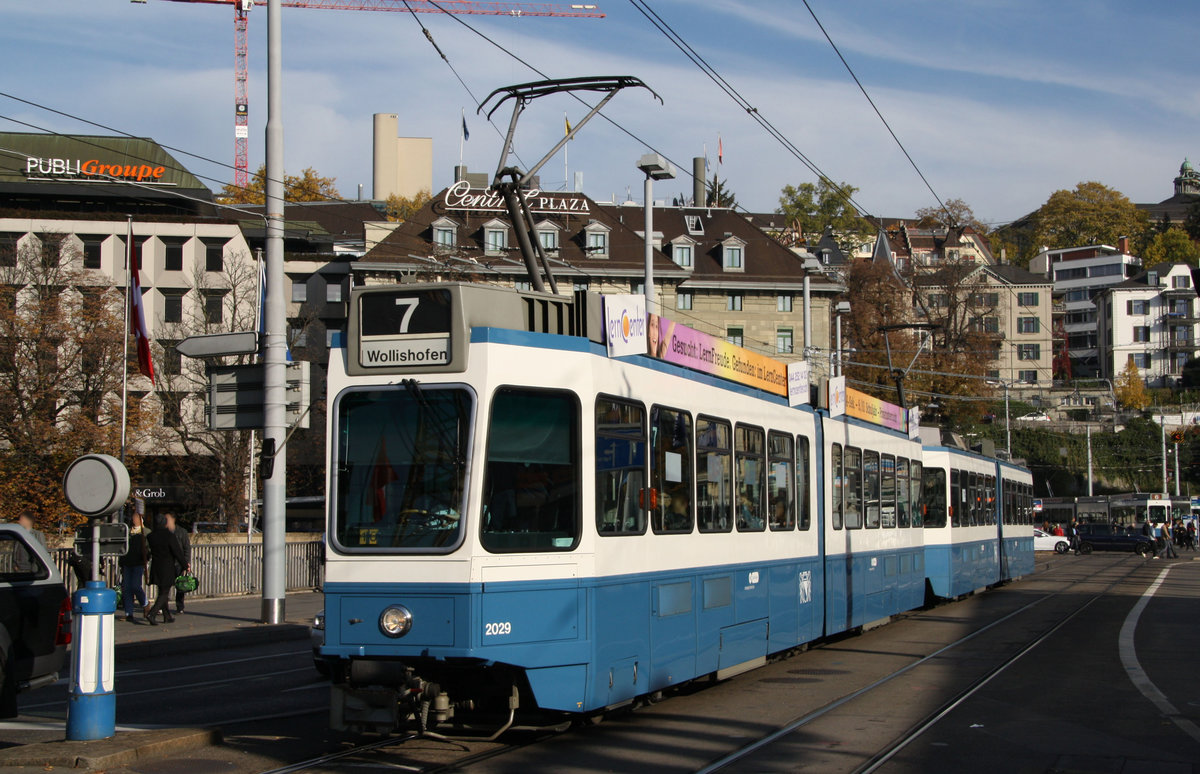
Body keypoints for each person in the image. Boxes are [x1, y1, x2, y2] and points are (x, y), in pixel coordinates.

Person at [145, 513, 185, 625]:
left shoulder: (151, 536)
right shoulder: (169, 536)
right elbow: (177, 552)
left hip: (156, 566)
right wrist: (185, 565)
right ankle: (152, 613)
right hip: (167, 567)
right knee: (164, 592)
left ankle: (167, 615)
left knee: (162, 591)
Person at [117, 512, 149, 623]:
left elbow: (148, 548)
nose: (134, 520)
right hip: (127, 563)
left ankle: (145, 603)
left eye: (137, 518)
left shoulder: (145, 532)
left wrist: (146, 559)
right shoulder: (127, 531)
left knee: (135, 586)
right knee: (126, 589)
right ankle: (128, 613)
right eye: (133, 518)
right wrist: (121, 562)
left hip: (138, 563)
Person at [171, 514, 192, 614]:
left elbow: (187, 548)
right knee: (164, 586)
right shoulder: (165, 531)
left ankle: (180, 606)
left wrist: (187, 562)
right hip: (169, 562)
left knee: (180, 585)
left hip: (179, 563)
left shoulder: (181, 532)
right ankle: (163, 606)